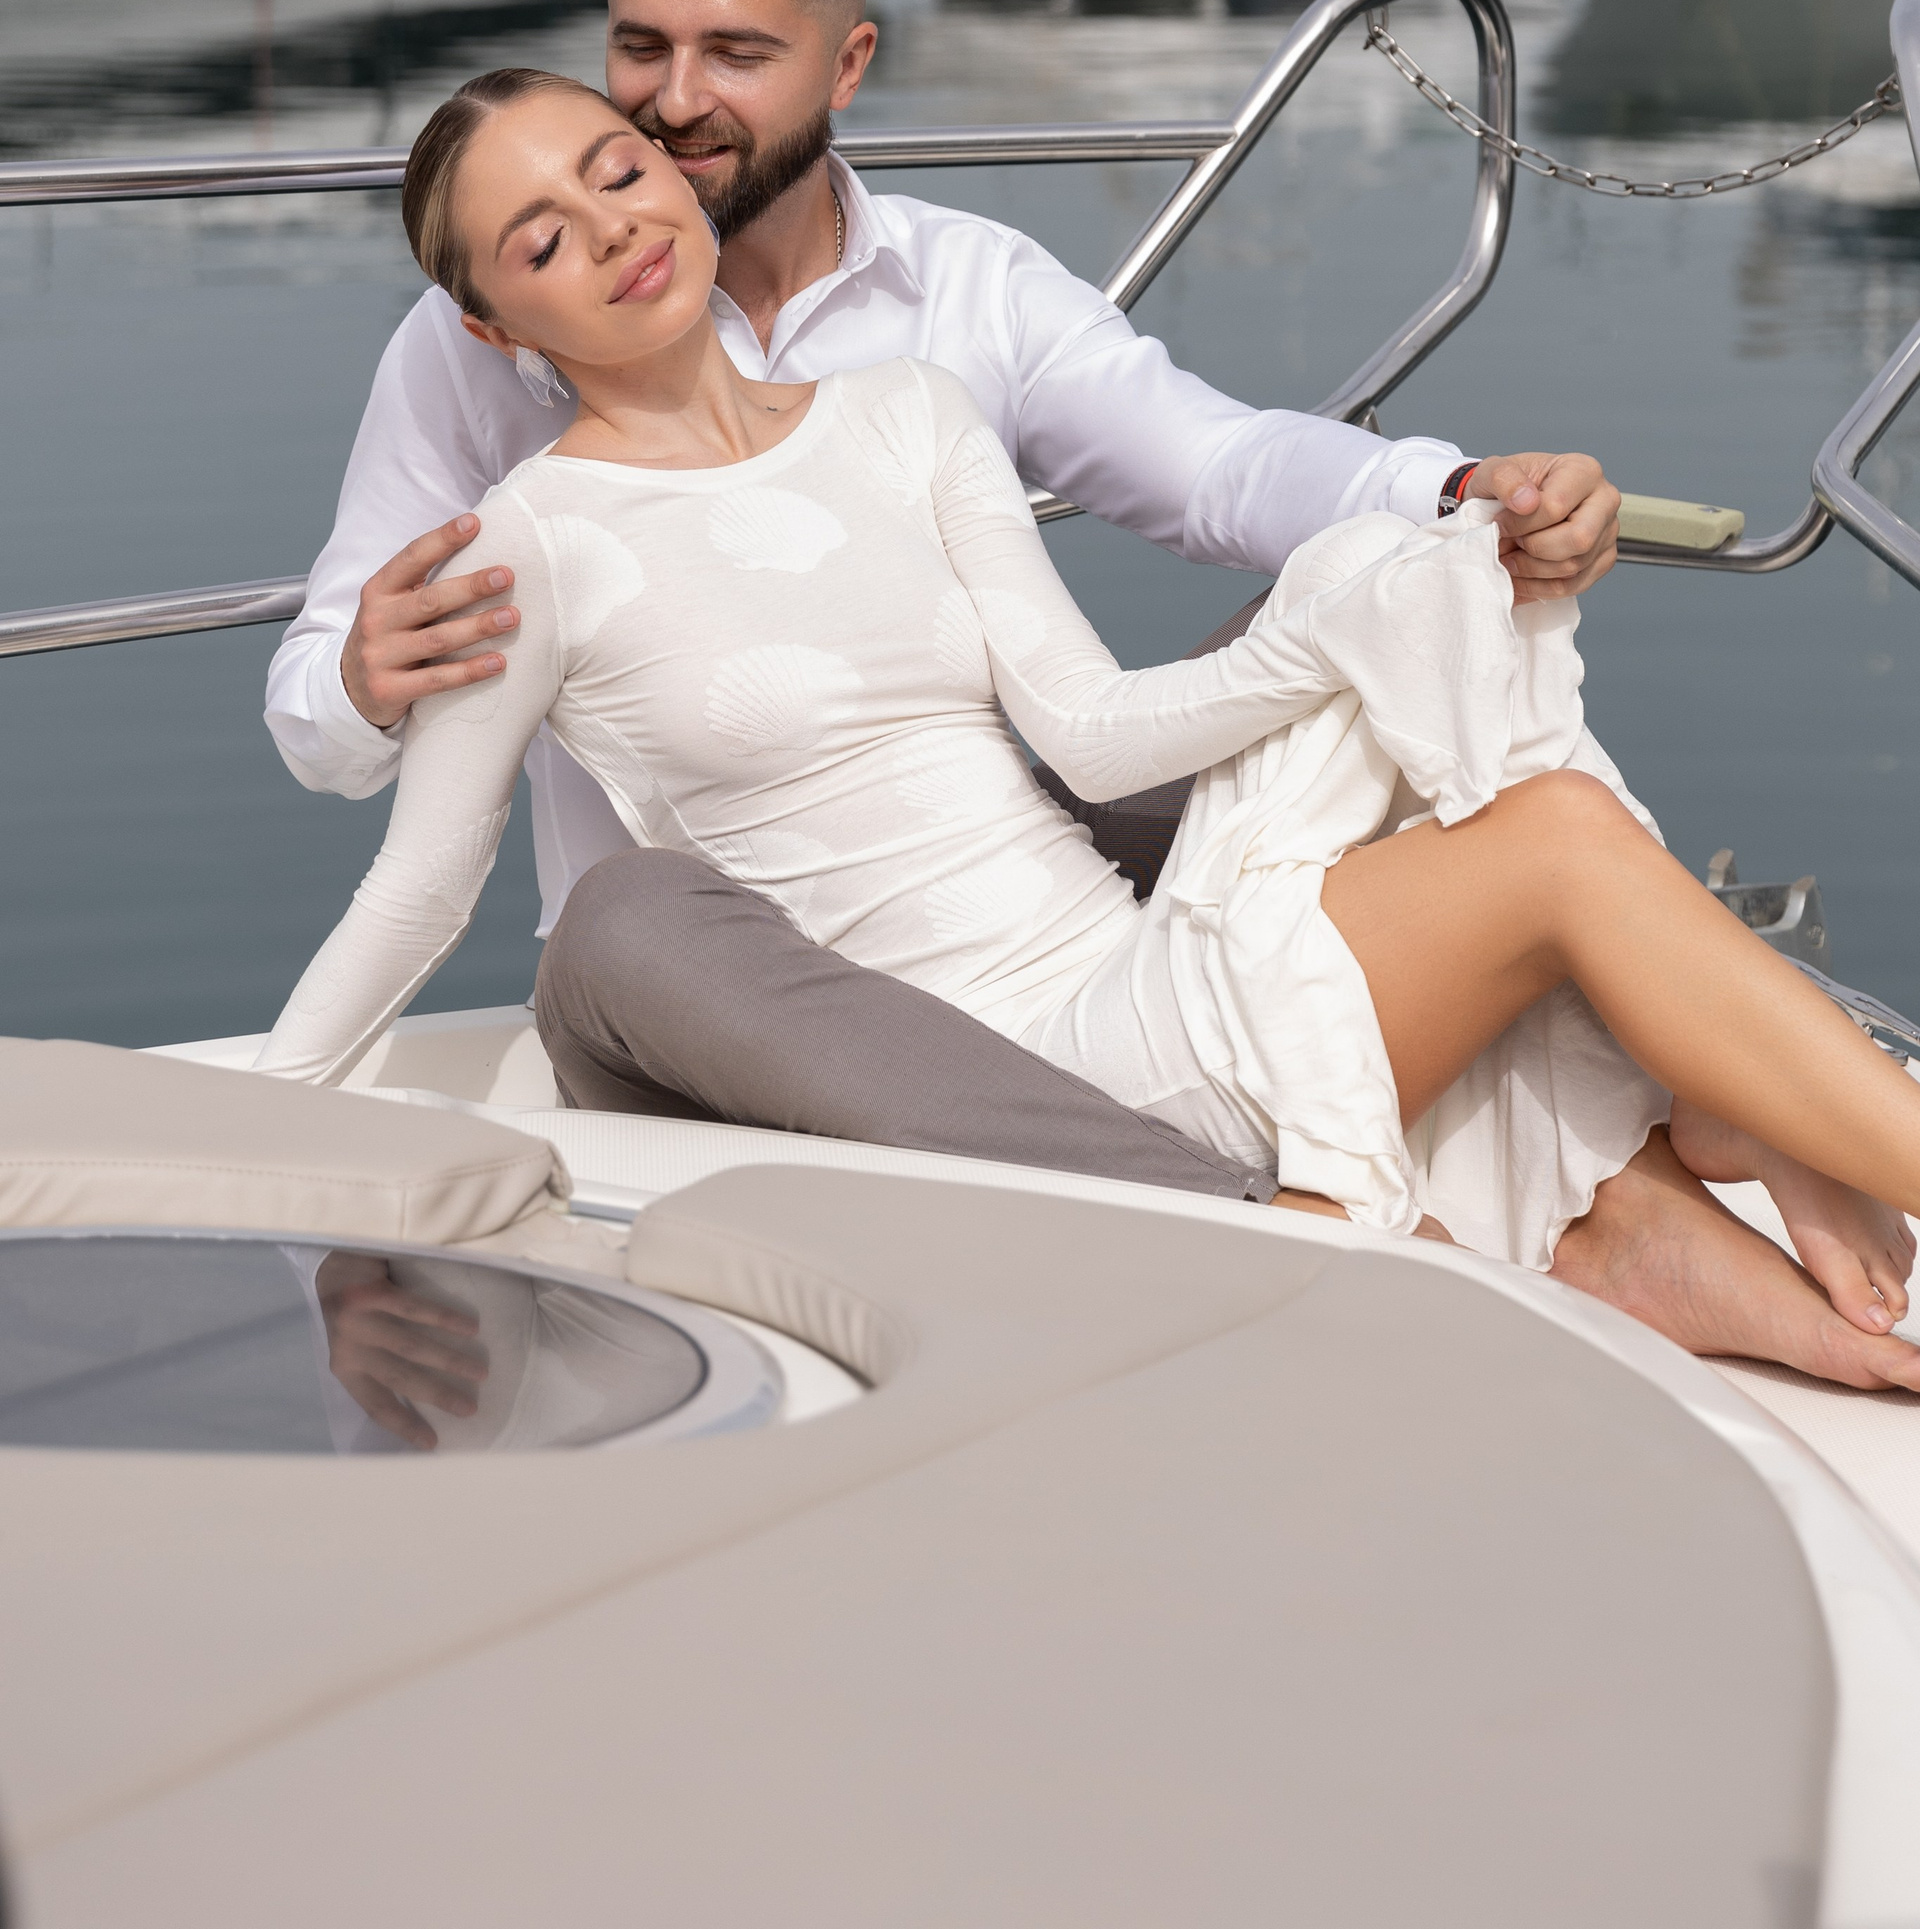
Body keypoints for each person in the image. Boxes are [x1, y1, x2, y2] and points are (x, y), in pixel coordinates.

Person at [260, 69, 1919, 1430]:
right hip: (965, 1082)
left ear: (675, 178)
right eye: (543, 238)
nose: (614, 227)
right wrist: (244, 1132)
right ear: (495, 325)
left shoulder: (908, 410)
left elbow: (1093, 732)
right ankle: (1688, 1122)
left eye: (618, 171)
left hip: (1150, 981)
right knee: (1454, 727)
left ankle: (1702, 1133)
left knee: (1441, 648)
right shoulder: (529, 541)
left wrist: (1338, 617)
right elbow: (422, 890)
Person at [267, 0, 1621, 1199]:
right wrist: (365, 680)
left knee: (1401, 587)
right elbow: (337, 740)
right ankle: (1248, 1206)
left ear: (846, 63)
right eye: (640, 48)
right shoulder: (475, 341)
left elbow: (1213, 467)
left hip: (1014, 856)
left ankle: (1607, 1161)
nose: (675, 101)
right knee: (627, 917)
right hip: (716, 971)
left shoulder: (963, 299)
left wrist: (1452, 499)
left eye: (735, 53)